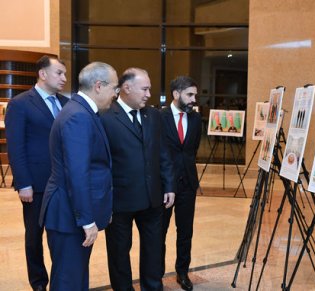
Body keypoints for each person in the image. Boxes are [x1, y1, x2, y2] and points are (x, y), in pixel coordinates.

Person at [39, 62, 118, 291]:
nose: (115, 94)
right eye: (114, 88)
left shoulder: (81, 111)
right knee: (68, 281)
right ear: (99, 86)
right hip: (69, 214)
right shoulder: (79, 116)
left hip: (70, 212)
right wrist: (87, 220)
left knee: (75, 277)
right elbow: (77, 173)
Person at [100, 68, 175, 291]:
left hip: (152, 199)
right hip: (119, 201)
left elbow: (163, 152)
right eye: (144, 88)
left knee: (153, 250)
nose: (148, 94)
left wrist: (169, 184)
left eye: (149, 89)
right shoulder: (105, 116)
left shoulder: (153, 115)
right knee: (119, 252)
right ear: (126, 88)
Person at [5, 55, 68, 291]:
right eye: (59, 73)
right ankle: (39, 283)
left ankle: (61, 280)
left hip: (64, 182)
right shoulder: (20, 103)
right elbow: (16, 147)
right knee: (34, 236)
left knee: (60, 233)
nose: (64, 78)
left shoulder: (65, 102)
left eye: (64, 73)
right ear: (43, 74)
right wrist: (23, 183)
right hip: (36, 184)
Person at [161, 76, 202, 291]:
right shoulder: (159, 117)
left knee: (185, 231)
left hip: (188, 184)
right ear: (176, 94)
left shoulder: (196, 119)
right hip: (164, 186)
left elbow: (192, 149)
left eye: (195, 95)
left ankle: (182, 272)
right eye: (190, 95)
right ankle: (155, 273)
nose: (194, 99)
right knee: (159, 231)